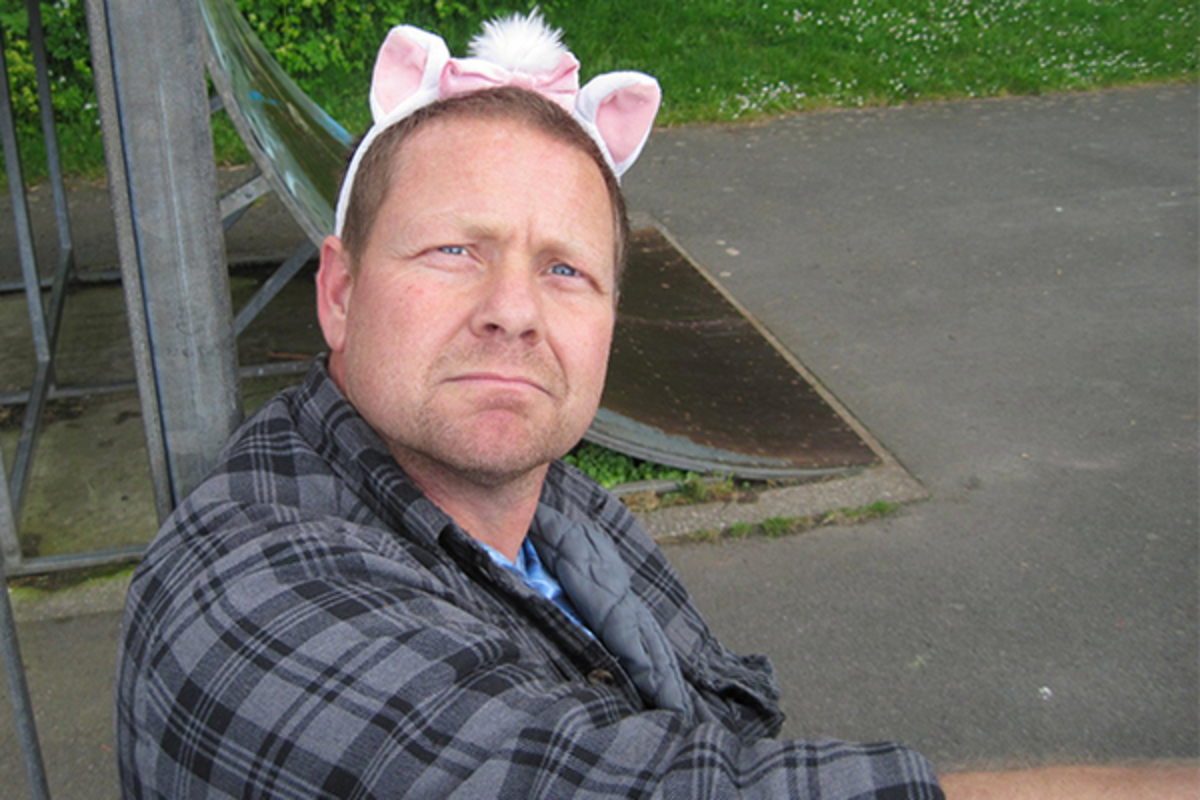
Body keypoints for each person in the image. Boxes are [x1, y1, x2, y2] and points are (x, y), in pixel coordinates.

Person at [116, 13, 1196, 799]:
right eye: (453, 250)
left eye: (566, 271)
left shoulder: (562, 509)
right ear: (341, 292)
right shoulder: (243, 597)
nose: (514, 312)